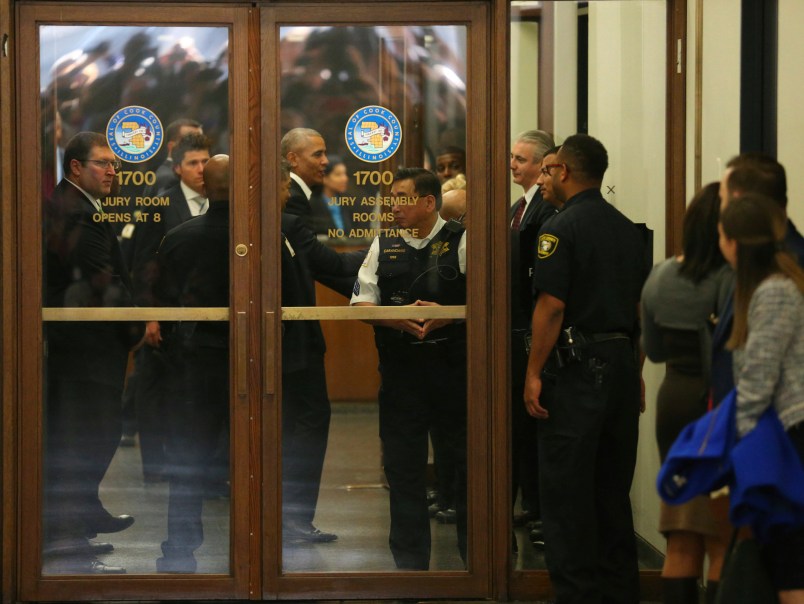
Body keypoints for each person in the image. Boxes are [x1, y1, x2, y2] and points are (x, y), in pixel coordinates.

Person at [523, 134, 645, 604]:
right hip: (618, 362)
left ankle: (576, 594)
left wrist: (534, 371)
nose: (546, 177)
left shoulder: (560, 228)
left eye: (551, 170)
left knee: (566, 491)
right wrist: (634, 371)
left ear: (566, 172)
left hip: (576, 371)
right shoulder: (625, 228)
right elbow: (638, 309)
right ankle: (620, 593)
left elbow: (552, 306)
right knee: (613, 490)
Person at [351, 167, 467, 570]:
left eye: (402, 197)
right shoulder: (383, 245)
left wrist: (450, 316)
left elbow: (492, 303)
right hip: (402, 377)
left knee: (468, 469)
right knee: (404, 473)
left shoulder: (462, 241)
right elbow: (361, 305)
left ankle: (478, 565)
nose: (393, 206)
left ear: (429, 202)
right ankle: (410, 569)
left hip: (456, 375)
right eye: (391, 198)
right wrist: (392, 317)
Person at [43, 131, 143, 573]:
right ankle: (64, 541)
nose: (111, 171)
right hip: (85, 345)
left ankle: (80, 519)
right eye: (102, 163)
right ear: (76, 168)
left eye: (114, 164)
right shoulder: (79, 212)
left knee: (90, 435)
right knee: (85, 439)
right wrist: (137, 324)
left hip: (87, 345)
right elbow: (101, 283)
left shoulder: (80, 206)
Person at [640, 183, 733, 603]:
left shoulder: (660, 276)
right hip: (717, 404)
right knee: (721, 539)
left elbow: (654, 350)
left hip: (673, 402)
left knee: (679, 536)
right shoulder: (731, 279)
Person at [718, 193, 804, 604]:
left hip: (789, 439)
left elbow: (759, 379)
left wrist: (739, 449)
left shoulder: (773, 291)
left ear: (735, 241)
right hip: (780, 438)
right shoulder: (765, 287)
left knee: (790, 568)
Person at [279, 162, 365, 543]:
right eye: (284, 187)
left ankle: (281, 516)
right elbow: (327, 265)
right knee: (308, 421)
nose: (288, 195)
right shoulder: (287, 221)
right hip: (292, 341)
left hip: (281, 340)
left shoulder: (275, 221)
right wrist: (381, 252)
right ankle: (292, 518)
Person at [153, 154, 230, 573]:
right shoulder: (262, 238)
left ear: (204, 187)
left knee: (189, 460)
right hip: (251, 361)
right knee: (263, 456)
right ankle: (269, 549)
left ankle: (179, 548)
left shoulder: (180, 237)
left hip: (194, 360)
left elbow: (162, 302)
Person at [125, 132, 213, 486]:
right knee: (156, 390)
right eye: (193, 163)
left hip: (206, 315)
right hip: (167, 310)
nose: (201, 169)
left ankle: (199, 466)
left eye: (206, 161)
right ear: (177, 168)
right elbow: (144, 264)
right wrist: (148, 314)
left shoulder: (221, 201)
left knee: (197, 394)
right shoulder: (160, 204)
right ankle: (156, 465)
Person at [508, 130, 557, 540]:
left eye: (521, 159)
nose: (513, 165)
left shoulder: (547, 210)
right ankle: (530, 501)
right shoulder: (516, 208)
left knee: (536, 421)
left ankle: (542, 505)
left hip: (531, 324)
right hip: (513, 325)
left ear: (545, 165)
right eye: (513, 158)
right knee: (518, 427)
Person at [282, 127, 335, 235]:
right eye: (318, 154)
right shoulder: (293, 198)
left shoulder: (301, 193)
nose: (326, 161)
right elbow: (306, 250)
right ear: (293, 159)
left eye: (325, 154)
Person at [144, 118, 203, 196]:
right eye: (191, 141)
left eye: (201, 141)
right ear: (172, 147)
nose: (200, 146)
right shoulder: (169, 179)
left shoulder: (169, 174)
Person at [321, 155, 350, 232]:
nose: (345, 178)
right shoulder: (313, 204)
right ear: (325, 178)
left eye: (345, 174)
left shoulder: (346, 202)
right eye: (338, 174)